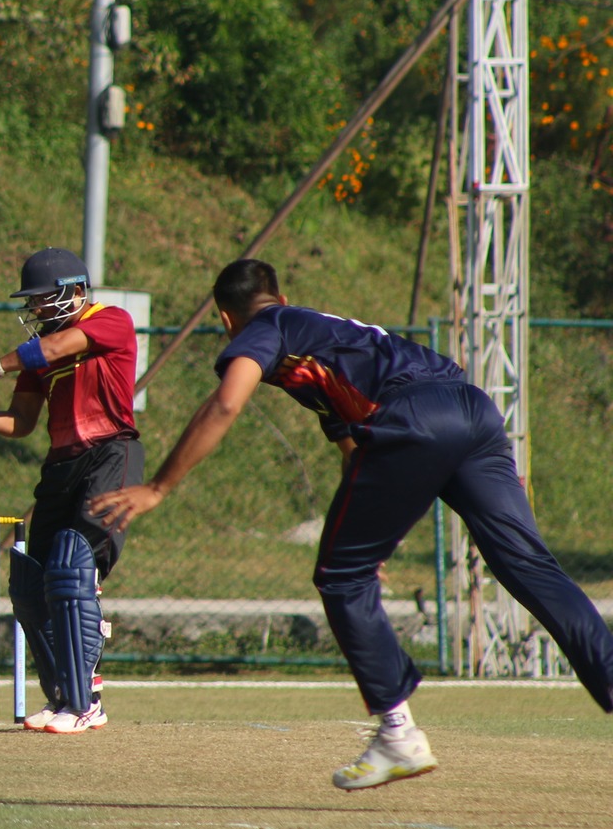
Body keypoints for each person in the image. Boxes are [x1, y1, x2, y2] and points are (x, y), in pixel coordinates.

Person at [90, 258, 613, 789]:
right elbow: (351, 448)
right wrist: (372, 539)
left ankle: (397, 734)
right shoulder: (327, 335)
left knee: (339, 578)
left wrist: (158, 487)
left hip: (414, 418)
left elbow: (226, 403)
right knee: (528, 567)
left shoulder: (267, 329)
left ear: (227, 320)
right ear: (282, 293)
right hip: (473, 411)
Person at [0, 248, 142, 734]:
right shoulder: (38, 353)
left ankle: (85, 701)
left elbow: (53, 349)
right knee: (30, 587)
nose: (39, 309)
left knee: (72, 566)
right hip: (61, 466)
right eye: (34, 302)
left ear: (74, 290)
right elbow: (24, 422)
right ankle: (63, 698)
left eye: (46, 298)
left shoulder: (111, 321)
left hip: (111, 453)